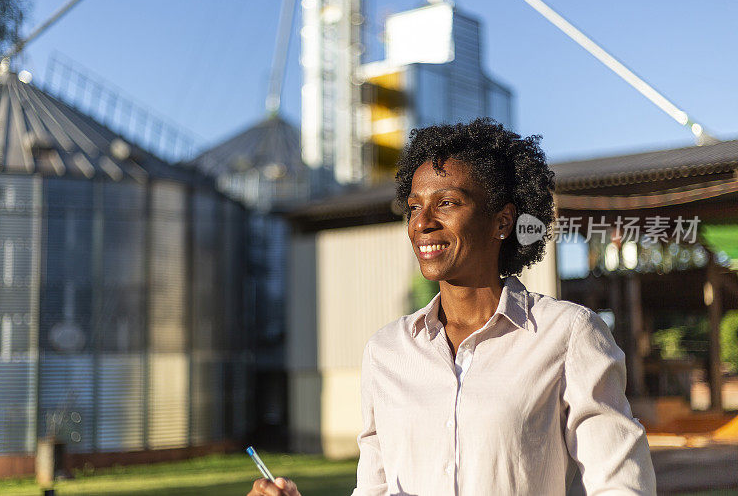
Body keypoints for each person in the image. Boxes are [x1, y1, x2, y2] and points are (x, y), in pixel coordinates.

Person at [248, 118, 656, 496]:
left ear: (502, 221)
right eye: (413, 207)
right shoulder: (386, 351)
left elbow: (620, 484)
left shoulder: (567, 334)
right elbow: (375, 488)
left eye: (446, 203)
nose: (422, 222)